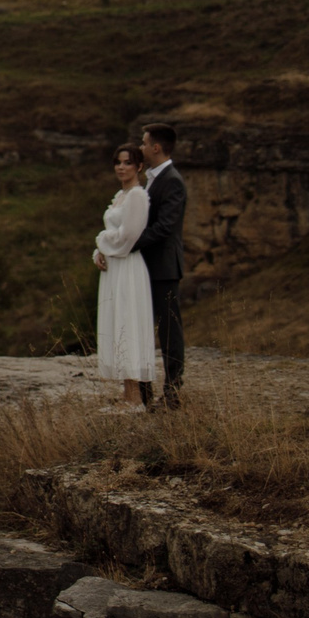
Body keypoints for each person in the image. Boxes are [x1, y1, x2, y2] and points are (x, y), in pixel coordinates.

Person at [90, 145, 158, 405]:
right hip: (114, 267)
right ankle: (127, 394)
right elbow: (114, 236)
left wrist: (101, 240)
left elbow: (129, 236)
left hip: (128, 265)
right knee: (117, 323)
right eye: (118, 162)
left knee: (128, 323)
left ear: (139, 166)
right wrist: (99, 251)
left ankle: (136, 399)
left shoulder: (138, 196)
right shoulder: (120, 194)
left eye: (128, 163)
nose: (121, 167)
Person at [133, 122, 187, 407]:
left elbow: (165, 227)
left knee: (169, 329)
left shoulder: (172, 180)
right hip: (147, 265)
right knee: (144, 328)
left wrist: (130, 242)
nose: (141, 147)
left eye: (143, 143)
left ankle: (173, 392)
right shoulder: (151, 178)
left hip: (164, 266)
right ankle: (144, 392)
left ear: (156, 147)